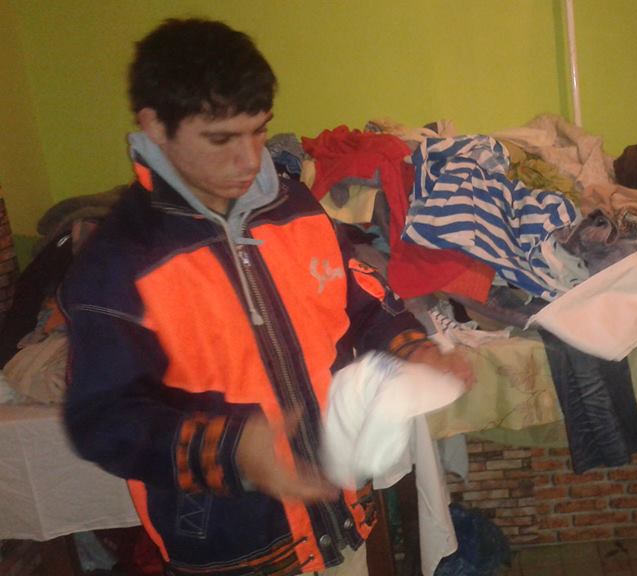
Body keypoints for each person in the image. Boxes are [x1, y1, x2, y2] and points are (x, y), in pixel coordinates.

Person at [61, 18, 470, 576]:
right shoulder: (118, 264)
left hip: (340, 509)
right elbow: (102, 421)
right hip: (235, 545)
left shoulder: (295, 207)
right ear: (154, 126)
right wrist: (230, 448)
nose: (249, 159)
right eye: (221, 138)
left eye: (258, 131)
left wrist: (413, 348)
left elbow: (362, 301)